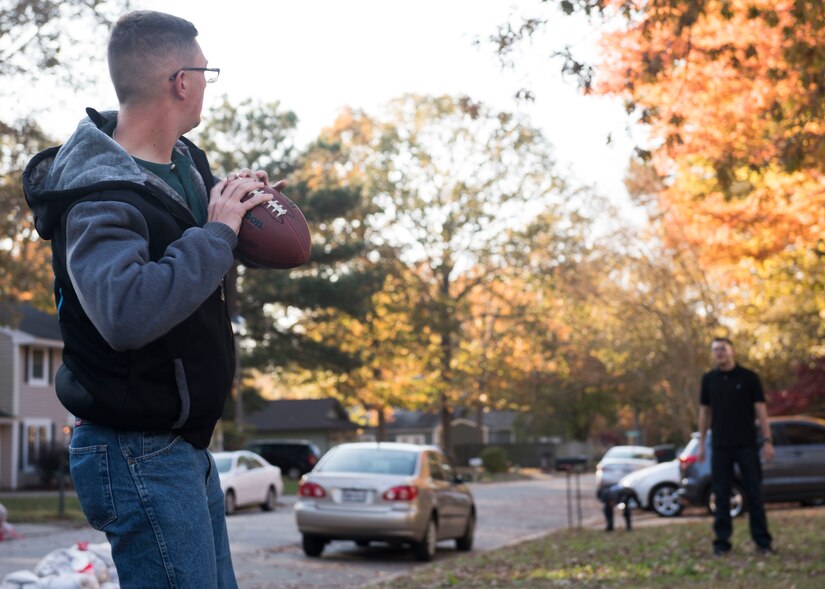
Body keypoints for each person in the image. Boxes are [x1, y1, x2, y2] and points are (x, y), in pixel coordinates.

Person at [23, 10, 279, 588]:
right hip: (134, 450)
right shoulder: (97, 193)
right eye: (206, 70)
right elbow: (129, 310)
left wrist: (245, 215)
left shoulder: (187, 165)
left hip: (183, 445)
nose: (208, 83)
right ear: (181, 80)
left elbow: (192, 266)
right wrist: (217, 235)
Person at [697, 337, 774, 557]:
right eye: (715, 350)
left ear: (732, 351)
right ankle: (722, 544)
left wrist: (767, 441)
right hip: (720, 446)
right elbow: (704, 412)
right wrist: (702, 444)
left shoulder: (749, 378)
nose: (719, 353)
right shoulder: (709, 379)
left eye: (722, 348)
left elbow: (761, 411)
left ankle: (763, 542)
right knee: (721, 496)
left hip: (747, 445)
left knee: (754, 493)